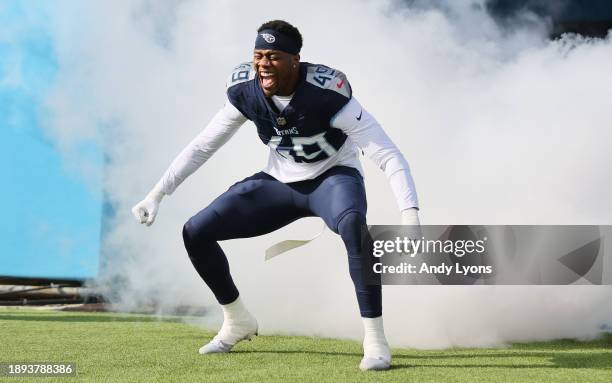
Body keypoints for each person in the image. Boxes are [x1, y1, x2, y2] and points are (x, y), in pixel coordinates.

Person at [132, 19, 420, 371]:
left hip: (333, 179)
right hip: (279, 183)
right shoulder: (246, 92)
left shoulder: (328, 94)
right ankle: (236, 319)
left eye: (273, 56)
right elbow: (203, 145)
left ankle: (375, 339)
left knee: (354, 228)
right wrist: (157, 193)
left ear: (295, 60)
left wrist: (410, 214)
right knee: (196, 231)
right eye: (257, 55)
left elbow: (388, 154)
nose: (263, 63)